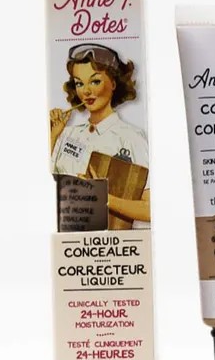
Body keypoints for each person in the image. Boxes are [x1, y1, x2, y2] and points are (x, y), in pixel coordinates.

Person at [49, 43, 150, 224]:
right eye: (79, 83)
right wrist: (53, 135)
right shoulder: (66, 134)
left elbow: (150, 209)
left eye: (95, 81)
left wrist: (104, 198)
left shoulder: (132, 138)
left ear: (113, 83)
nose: (86, 91)